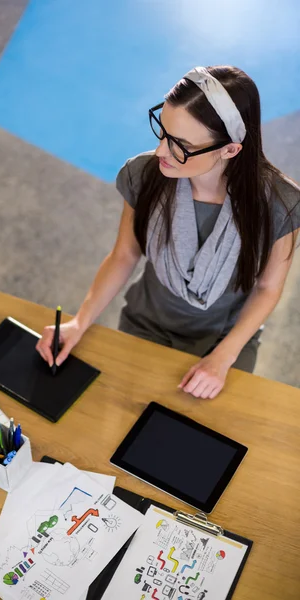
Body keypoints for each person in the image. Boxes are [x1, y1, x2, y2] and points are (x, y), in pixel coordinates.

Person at [37, 65, 300, 399]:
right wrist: (80, 321)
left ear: (230, 149)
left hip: (226, 339)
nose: (161, 151)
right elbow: (124, 255)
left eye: (180, 145)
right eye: (163, 132)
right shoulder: (144, 174)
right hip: (147, 322)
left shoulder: (282, 204)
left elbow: (267, 288)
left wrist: (224, 356)